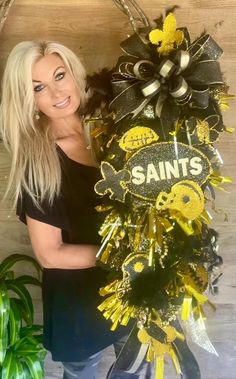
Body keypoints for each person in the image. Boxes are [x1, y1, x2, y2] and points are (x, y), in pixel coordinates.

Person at [0, 40, 154, 379]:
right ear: (29, 100)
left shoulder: (109, 132)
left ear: (73, 73)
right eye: (38, 87)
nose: (56, 92)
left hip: (132, 290)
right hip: (80, 305)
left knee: (139, 367)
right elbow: (50, 253)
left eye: (59, 76)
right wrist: (121, 256)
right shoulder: (40, 163)